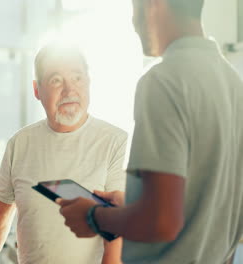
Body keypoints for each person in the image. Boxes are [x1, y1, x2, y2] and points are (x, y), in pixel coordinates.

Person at [57, 0, 243, 263]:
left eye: (135, 8)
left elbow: (162, 221)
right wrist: (134, 205)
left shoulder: (164, 80)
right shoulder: (233, 82)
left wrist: (94, 217)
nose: (134, 24)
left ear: (153, 4)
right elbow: (205, 206)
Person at [0, 43, 128, 264]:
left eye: (77, 78)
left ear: (89, 82)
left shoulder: (116, 142)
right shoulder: (20, 145)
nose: (69, 90)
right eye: (56, 80)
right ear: (36, 90)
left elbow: (118, 237)